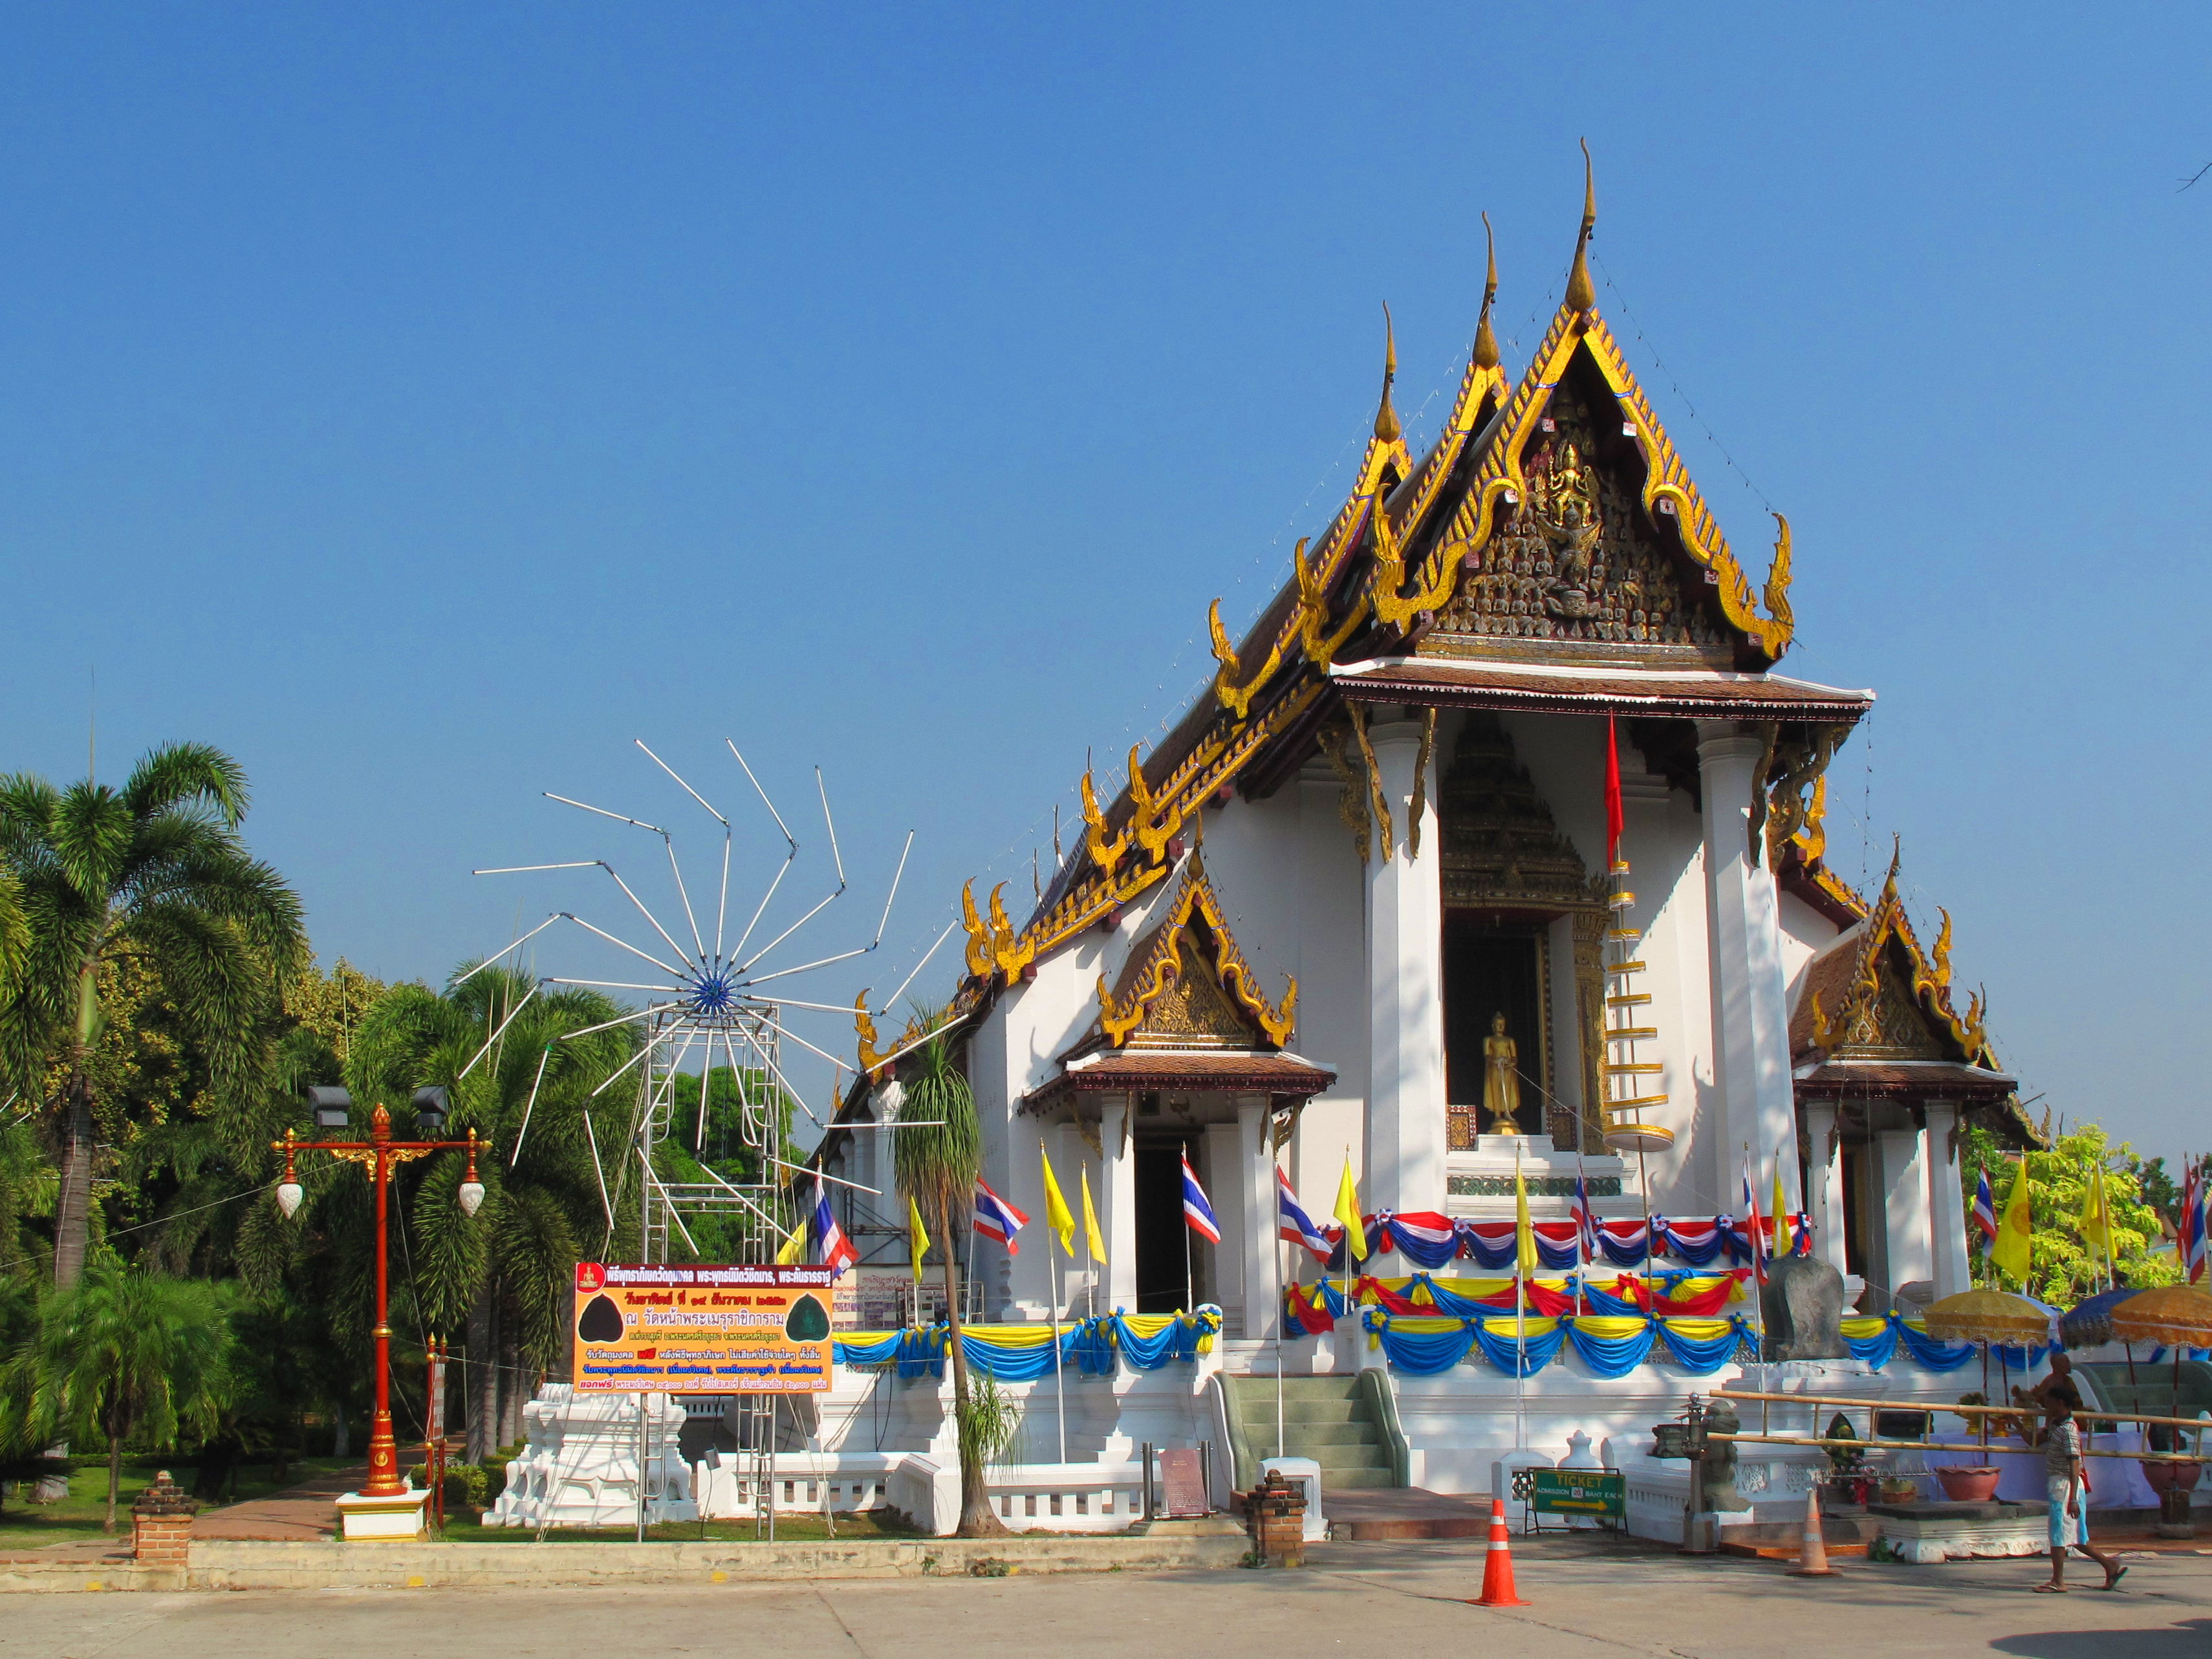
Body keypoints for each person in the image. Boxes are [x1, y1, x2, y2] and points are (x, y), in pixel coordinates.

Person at [2035, 1379, 2125, 1592]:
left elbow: (2074, 1463)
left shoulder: (2068, 1429)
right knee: (2077, 1537)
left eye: (2049, 1401)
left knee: (2059, 1533)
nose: (2045, 1406)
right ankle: (2109, 1565)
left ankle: (2058, 1580)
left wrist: (2073, 1497)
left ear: (2059, 1402)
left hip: (2066, 1484)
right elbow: (2036, 1440)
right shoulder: (2056, 1425)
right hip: (2062, 1483)